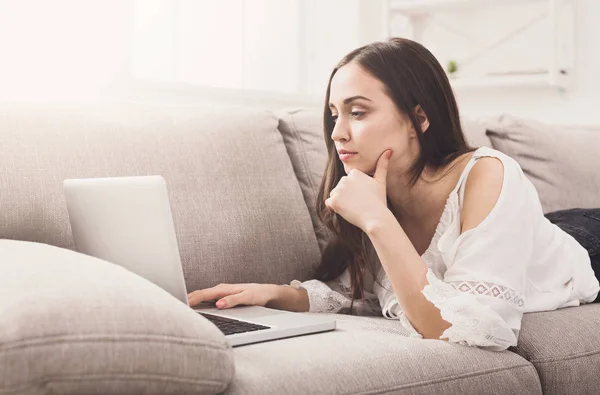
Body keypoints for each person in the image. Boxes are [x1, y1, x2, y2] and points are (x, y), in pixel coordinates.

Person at [187, 37, 600, 351]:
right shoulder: (371, 192)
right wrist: (275, 295)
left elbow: (480, 329)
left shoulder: (487, 174)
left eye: (358, 112)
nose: (337, 133)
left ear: (418, 118)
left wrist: (378, 220)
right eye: (334, 114)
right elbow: (359, 292)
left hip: (585, 246)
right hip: (538, 232)